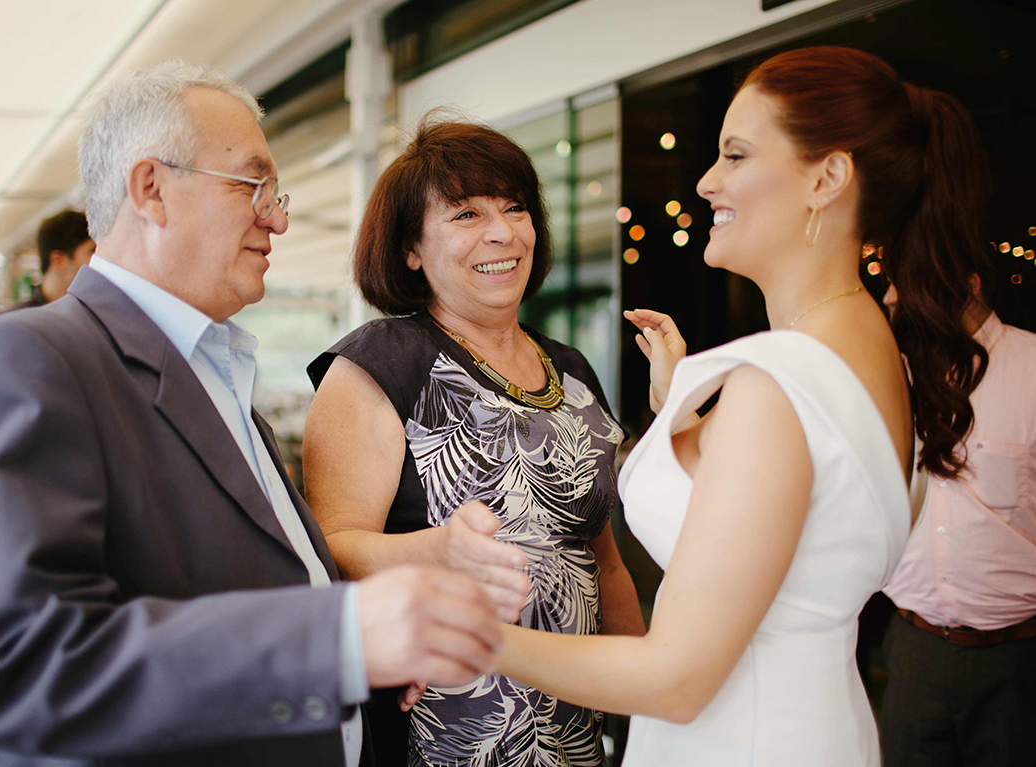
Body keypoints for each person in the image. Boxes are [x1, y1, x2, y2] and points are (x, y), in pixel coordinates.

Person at [0, 61, 502, 767]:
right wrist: (339, 637)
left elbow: (257, 582)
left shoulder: (215, 373)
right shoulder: (29, 358)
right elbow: (20, 666)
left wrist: (372, 654)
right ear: (151, 189)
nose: (278, 216)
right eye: (252, 184)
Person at [493, 46, 991, 765]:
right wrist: (686, 419)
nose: (705, 181)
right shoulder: (876, 358)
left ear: (827, 178)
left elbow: (677, 679)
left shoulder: (776, 386)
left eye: (735, 154)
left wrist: (468, 636)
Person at [304, 120, 644, 767]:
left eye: (515, 207)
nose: (502, 232)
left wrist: (647, 708)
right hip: (448, 729)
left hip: (576, 725)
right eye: (466, 213)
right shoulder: (377, 364)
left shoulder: (571, 369)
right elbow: (331, 551)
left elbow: (605, 560)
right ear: (411, 249)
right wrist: (440, 551)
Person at [881, 277, 1036, 766]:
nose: (889, 296)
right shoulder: (892, 374)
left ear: (964, 281)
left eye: (904, 280)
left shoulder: (1031, 366)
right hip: (911, 652)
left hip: (1015, 664)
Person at [14, 209, 96, 308]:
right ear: (59, 261)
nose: (100, 260)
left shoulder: (98, 314)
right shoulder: (17, 322)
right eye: (92, 252)